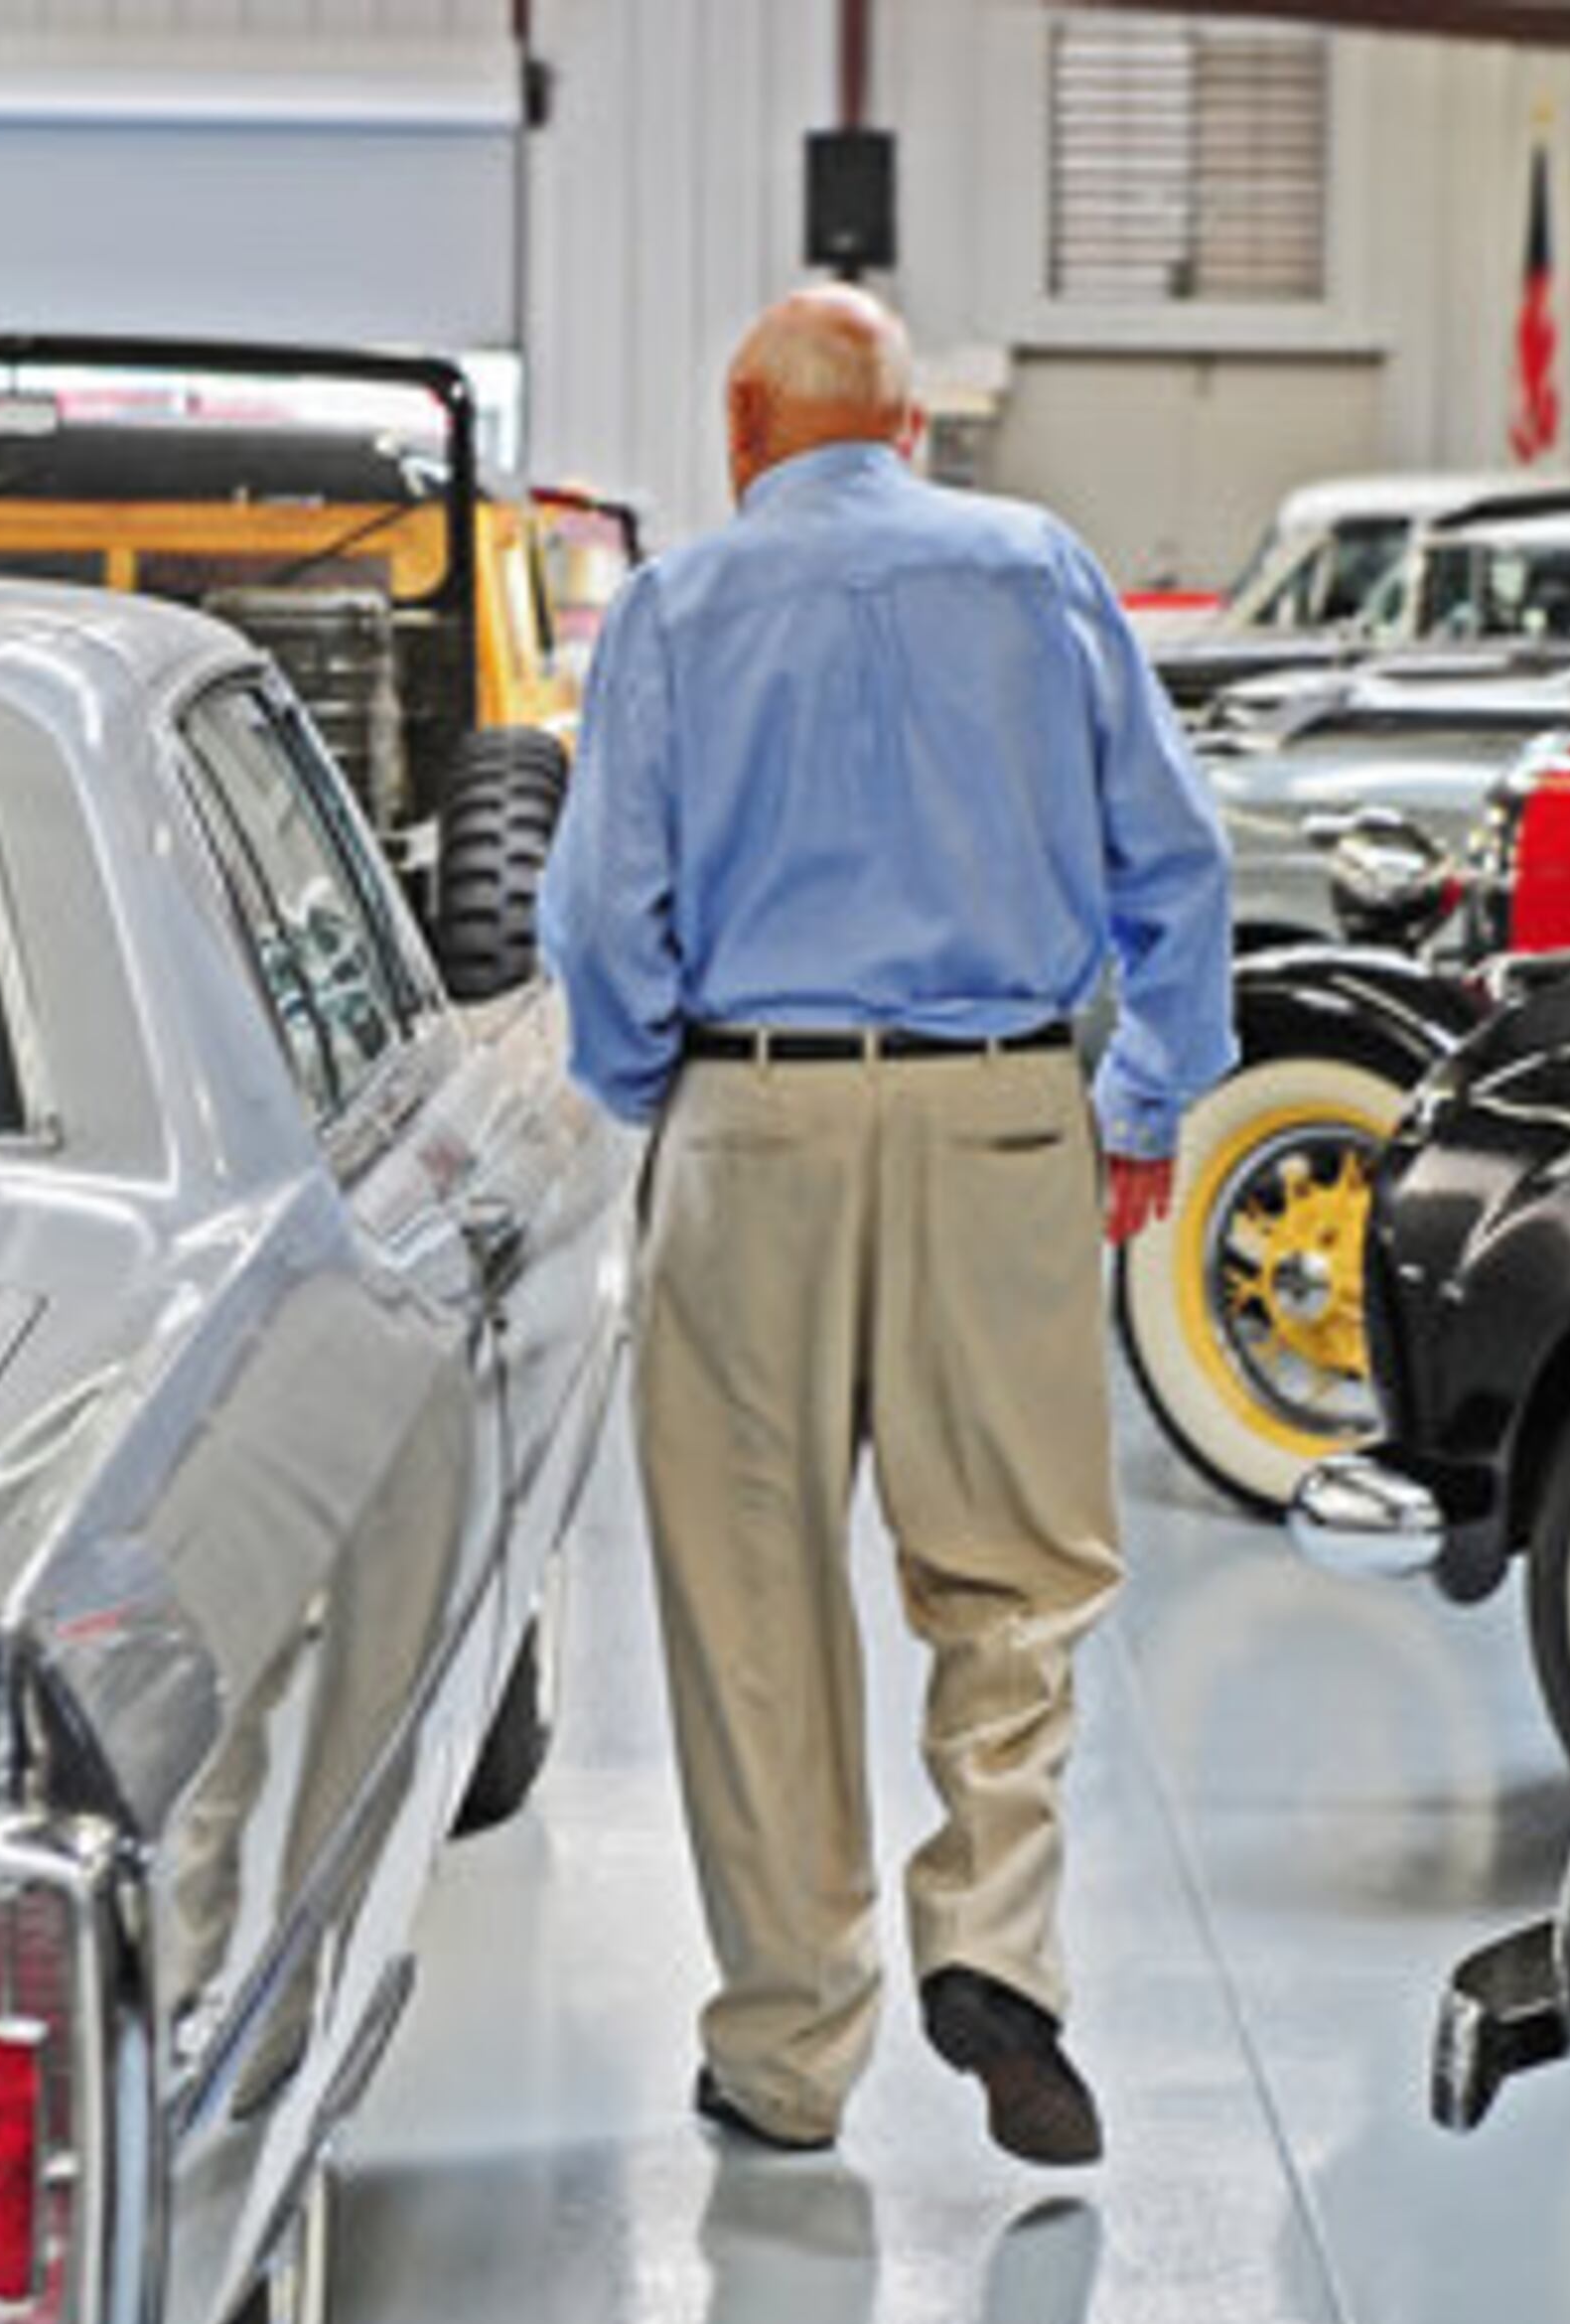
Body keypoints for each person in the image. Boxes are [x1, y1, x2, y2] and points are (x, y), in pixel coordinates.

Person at [537, 283, 1234, 2168]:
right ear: (911, 430)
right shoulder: (1036, 572)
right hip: (1003, 1111)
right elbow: (1177, 862)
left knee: (752, 1594)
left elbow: (604, 917)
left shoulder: (675, 608)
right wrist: (1146, 1096)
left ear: (743, 428)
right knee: (1015, 1573)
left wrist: (648, 1086)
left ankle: (787, 2050)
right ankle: (995, 1948)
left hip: (750, 1120)